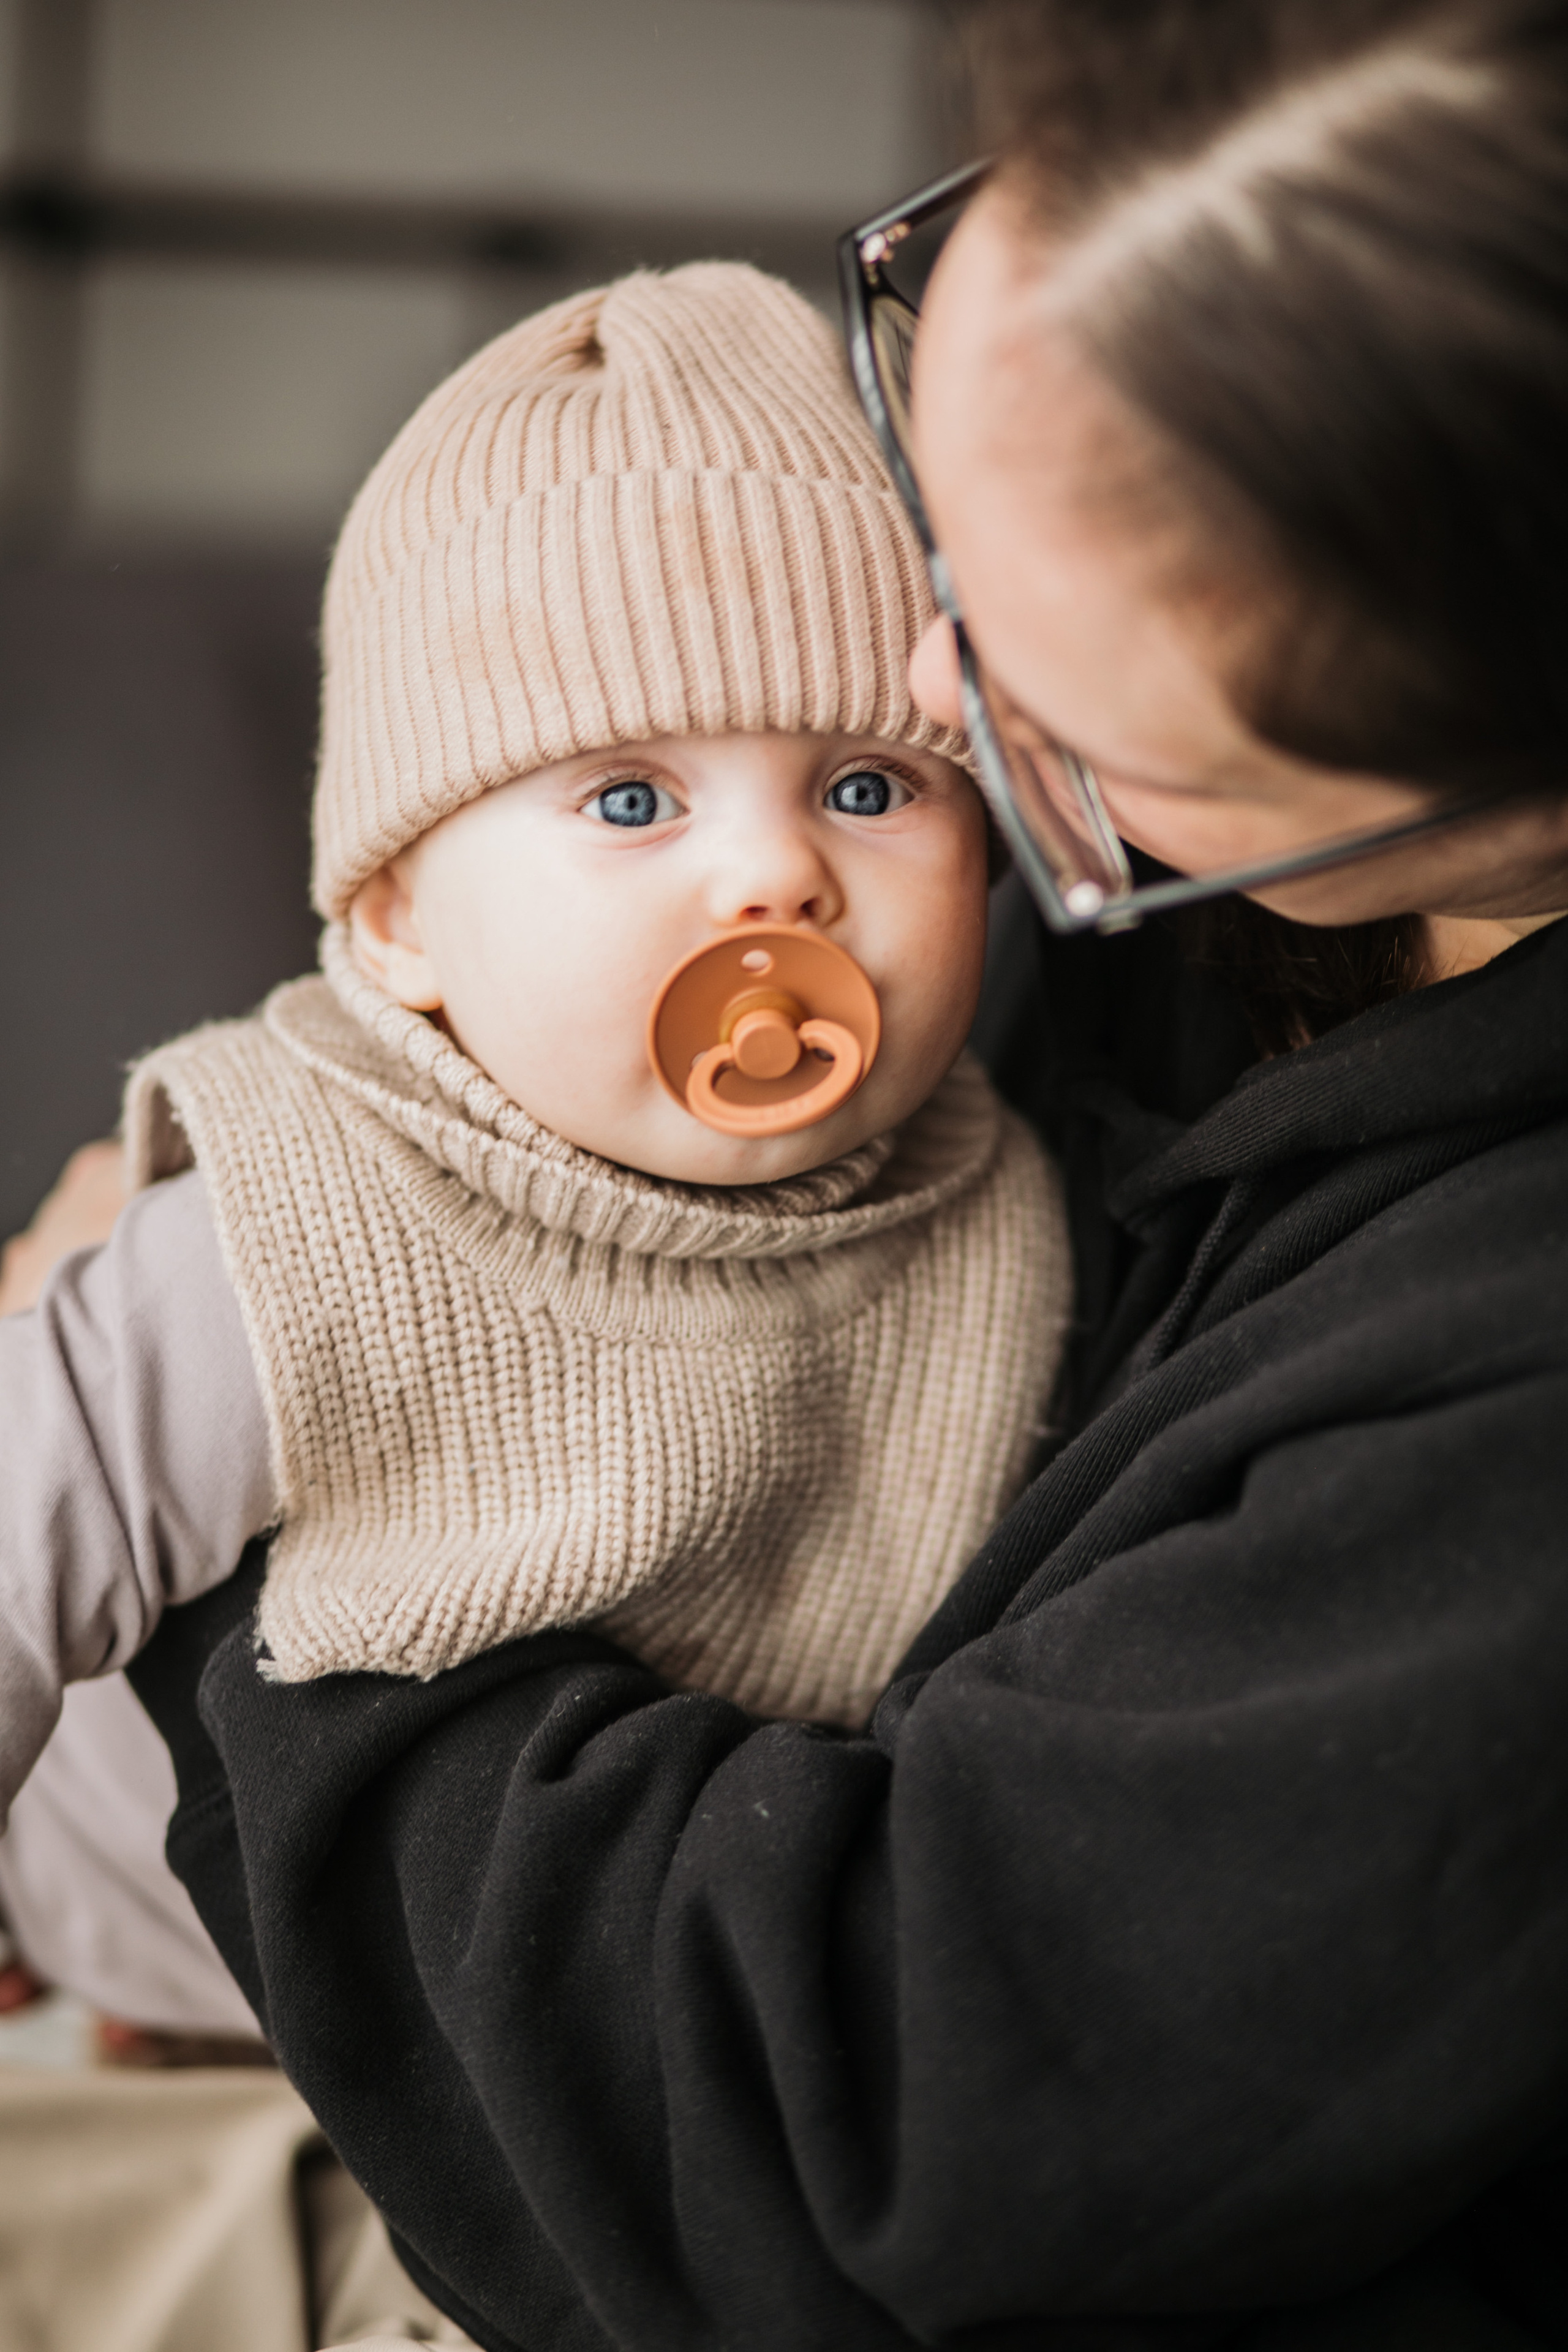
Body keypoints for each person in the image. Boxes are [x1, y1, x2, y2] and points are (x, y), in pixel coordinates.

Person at [66, 0, 1568, 2342]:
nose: (918, 691)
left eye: (1028, 717)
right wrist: (205, 1334)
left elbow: (835, 2143)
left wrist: (278, 1513)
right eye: (930, 453)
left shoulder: (1493, 1408)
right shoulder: (304, 1195)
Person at [0, 261, 1067, 1841]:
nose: (775, 876)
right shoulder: (296, 1220)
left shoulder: (1013, 1203)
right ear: (400, 923)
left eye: (867, 788)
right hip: (118, 1888)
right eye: (632, 800)